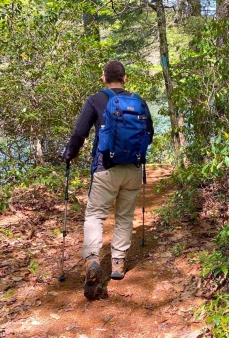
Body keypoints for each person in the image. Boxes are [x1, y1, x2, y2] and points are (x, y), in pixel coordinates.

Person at [62, 60, 154, 298]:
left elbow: (80, 133)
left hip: (104, 169)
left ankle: (92, 259)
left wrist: (69, 154)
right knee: (124, 216)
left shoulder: (95, 100)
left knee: (95, 215)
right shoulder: (138, 102)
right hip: (132, 169)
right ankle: (118, 263)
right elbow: (149, 133)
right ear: (125, 78)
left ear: (103, 78)